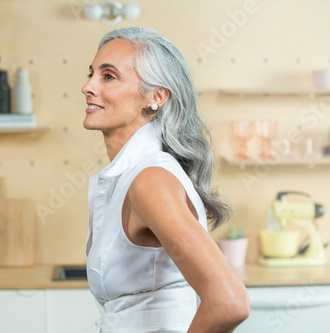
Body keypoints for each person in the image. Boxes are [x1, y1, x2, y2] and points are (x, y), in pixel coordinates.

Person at [81, 26, 250, 333]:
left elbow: (230, 301)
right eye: (91, 73)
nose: (87, 86)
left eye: (108, 76)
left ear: (155, 97)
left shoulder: (150, 180)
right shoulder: (133, 175)